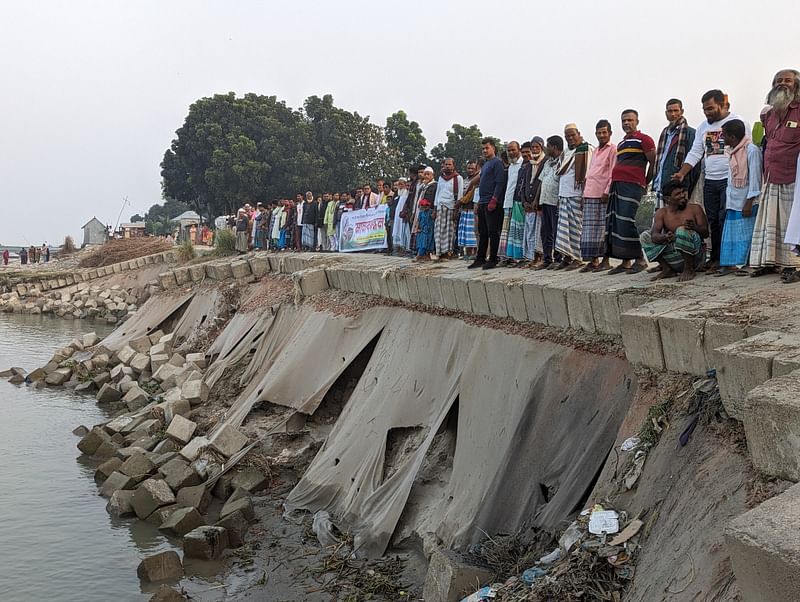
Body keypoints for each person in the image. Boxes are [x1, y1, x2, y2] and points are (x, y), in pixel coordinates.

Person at [672, 90, 747, 274]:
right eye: (704, 109)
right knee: (712, 220)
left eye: (711, 108)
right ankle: (715, 259)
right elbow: (696, 152)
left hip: (730, 179)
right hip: (710, 180)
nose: (707, 113)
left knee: (725, 218)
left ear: (722, 105)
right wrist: (682, 173)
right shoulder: (702, 128)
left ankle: (727, 261)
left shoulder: (738, 122)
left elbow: (747, 150)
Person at [754, 69, 800, 282]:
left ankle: (792, 264)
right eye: (778, 81)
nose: (782, 84)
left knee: (793, 222)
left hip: (794, 175)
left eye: (787, 80)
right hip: (771, 173)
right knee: (770, 220)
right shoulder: (767, 114)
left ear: (796, 84)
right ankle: (770, 262)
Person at [606, 109, 656, 274]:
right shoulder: (621, 144)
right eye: (624, 121)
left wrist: (645, 182)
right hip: (618, 186)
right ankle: (625, 261)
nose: (626, 123)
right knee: (618, 223)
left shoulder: (645, 139)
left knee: (630, 220)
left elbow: (653, 163)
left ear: (637, 121)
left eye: (630, 120)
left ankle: (640, 259)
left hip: (633, 185)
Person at [716, 119, 762, 276]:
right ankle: (729, 265)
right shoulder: (733, 152)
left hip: (746, 203)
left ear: (733, 137)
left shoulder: (751, 151)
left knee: (746, 236)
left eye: (724, 135)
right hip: (733, 201)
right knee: (731, 237)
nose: (722, 138)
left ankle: (745, 264)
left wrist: (749, 202)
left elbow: (756, 179)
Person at [641, 181, 709, 282]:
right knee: (644, 236)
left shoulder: (695, 209)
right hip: (674, 257)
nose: (683, 196)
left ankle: (689, 269)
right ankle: (667, 268)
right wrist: (665, 237)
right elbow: (654, 235)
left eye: (683, 192)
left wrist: (694, 227)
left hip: (695, 258)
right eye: (678, 194)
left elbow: (705, 233)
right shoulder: (661, 213)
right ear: (668, 199)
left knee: (682, 230)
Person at [554, 124, 593, 270]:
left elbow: (589, 172)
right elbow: (560, 174)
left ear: (579, 133)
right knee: (564, 229)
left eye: (572, 135)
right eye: (567, 136)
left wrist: (585, 194)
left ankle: (578, 257)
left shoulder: (586, 149)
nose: (570, 138)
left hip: (577, 194)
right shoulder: (565, 152)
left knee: (576, 228)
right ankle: (567, 257)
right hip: (564, 194)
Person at [580, 120, 616, 272]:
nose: (601, 135)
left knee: (603, 228)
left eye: (604, 132)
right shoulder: (595, 151)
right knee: (589, 229)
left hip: (602, 194)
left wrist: (607, 191)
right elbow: (590, 173)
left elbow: (612, 172)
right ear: (595, 134)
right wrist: (584, 194)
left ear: (610, 133)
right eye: (599, 133)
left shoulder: (613, 149)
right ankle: (593, 260)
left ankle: (606, 260)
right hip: (590, 193)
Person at [653, 99, 698, 210]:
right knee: (662, 220)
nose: (673, 114)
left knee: (678, 220)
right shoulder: (665, 133)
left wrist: (687, 186)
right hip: (662, 184)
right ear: (666, 113)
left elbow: (694, 161)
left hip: (679, 186)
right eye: (670, 111)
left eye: (675, 110)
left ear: (682, 111)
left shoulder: (690, 132)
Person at [468, 138, 505, 270]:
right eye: (483, 148)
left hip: (492, 202)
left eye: (487, 148)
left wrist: (494, 199)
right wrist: (478, 203)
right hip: (483, 201)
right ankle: (480, 258)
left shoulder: (497, 163)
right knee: (482, 232)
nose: (484, 150)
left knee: (493, 231)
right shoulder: (486, 165)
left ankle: (494, 258)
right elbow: (478, 183)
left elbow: (500, 182)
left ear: (493, 148)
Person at [533, 135, 564, 269]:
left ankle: (558, 258)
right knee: (545, 231)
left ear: (555, 147)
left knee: (556, 231)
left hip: (555, 201)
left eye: (549, 146)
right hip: (544, 201)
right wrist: (536, 199)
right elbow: (542, 181)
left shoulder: (563, 161)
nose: (547, 148)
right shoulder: (547, 162)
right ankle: (547, 259)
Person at [433, 158, 464, 260]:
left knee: (449, 231)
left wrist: (456, 210)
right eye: (446, 164)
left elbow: (459, 195)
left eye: (449, 164)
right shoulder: (441, 178)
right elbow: (437, 193)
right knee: (439, 230)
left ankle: (447, 252)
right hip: (440, 206)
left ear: (453, 166)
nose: (447, 166)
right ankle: (439, 252)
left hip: (451, 207)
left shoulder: (458, 178)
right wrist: (435, 208)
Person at [522, 137, 546, 266]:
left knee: (539, 233)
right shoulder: (528, 165)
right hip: (528, 204)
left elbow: (542, 183)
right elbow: (524, 185)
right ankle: (532, 258)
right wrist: (524, 201)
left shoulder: (546, 162)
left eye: (537, 147)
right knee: (530, 232)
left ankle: (540, 258)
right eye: (532, 147)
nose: (534, 150)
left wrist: (536, 201)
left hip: (539, 204)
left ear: (542, 147)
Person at [499, 141, 522, 263]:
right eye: (509, 150)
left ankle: (516, 258)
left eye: (513, 150)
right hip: (507, 202)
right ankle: (508, 256)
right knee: (506, 232)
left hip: (517, 202)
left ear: (519, 149)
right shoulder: (511, 166)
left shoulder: (522, 164)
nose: (511, 153)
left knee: (516, 232)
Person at [458, 160, 480, 260]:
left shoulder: (476, 181)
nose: (470, 170)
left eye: (473, 168)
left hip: (472, 208)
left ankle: (475, 253)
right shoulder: (464, 180)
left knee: (473, 233)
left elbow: (469, 195)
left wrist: (461, 201)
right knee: (465, 233)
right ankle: (467, 253)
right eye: (469, 168)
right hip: (464, 209)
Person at [414, 167, 437, 260]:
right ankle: (421, 252)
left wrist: (434, 210)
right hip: (422, 211)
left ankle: (426, 253)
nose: (426, 176)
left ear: (432, 175)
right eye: (425, 174)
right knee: (420, 231)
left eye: (428, 174)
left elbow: (435, 199)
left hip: (429, 211)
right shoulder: (423, 186)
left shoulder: (435, 185)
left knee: (428, 232)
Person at [392, 178, 412, 254]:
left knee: (404, 231)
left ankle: (406, 248)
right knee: (397, 231)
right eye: (398, 184)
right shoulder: (398, 193)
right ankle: (398, 249)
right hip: (397, 216)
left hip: (404, 215)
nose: (400, 186)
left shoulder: (406, 192)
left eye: (401, 184)